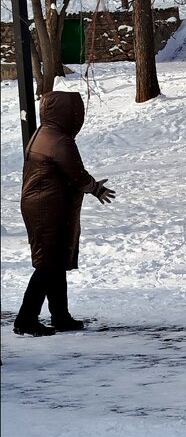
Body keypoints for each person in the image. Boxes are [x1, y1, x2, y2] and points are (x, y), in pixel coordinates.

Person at [13, 91, 116, 337]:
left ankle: (61, 316)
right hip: (48, 208)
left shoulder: (44, 132)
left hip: (43, 206)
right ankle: (25, 319)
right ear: (68, 114)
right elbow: (77, 175)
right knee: (48, 265)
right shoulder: (59, 140)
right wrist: (97, 188)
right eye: (76, 112)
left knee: (55, 262)